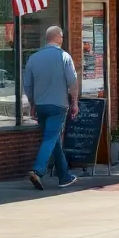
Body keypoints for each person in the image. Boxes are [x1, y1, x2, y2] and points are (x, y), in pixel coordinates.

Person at [23, 25, 79, 189]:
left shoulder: (34, 58)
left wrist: (32, 103)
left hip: (41, 105)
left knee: (53, 141)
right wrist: (74, 102)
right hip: (58, 105)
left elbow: (27, 84)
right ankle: (38, 171)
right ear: (59, 38)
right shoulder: (64, 56)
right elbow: (72, 82)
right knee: (50, 138)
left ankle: (64, 176)